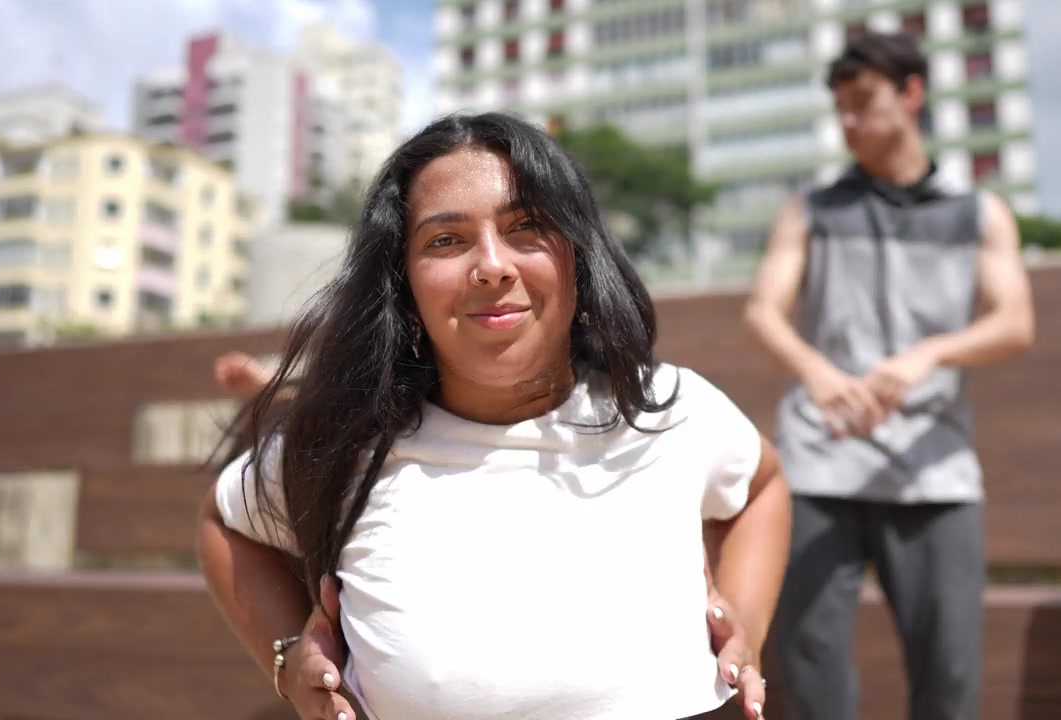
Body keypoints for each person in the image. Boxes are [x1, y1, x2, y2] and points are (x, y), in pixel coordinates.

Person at [198, 111, 792, 720]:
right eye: (446, 241)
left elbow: (761, 488)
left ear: (578, 256)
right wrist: (287, 657)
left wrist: (744, 621)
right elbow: (225, 522)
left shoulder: (667, 409)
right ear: (404, 284)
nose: (492, 265)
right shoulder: (349, 444)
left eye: (526, 227)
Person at [745, 32, 1035, 720]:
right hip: (819, 463)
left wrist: (930, 353)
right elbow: (762, 312)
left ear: (912, 94)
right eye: (840, 108)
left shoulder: (979, 213)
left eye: (864, 102)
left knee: (950, 676)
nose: (849, 121)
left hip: (932, 468)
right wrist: (815, 371)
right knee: (811, 675)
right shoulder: (809, 210)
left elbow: (1014, 323)